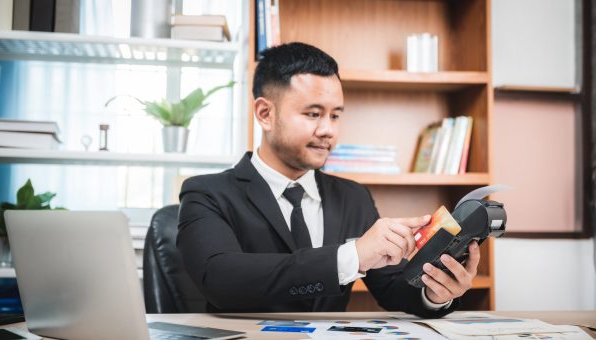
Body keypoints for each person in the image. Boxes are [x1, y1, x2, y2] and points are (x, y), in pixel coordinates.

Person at [177, 42, 479, 317]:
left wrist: (435, 290)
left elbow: (391, 289)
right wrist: (353, 256)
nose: (328, 131)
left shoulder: (353, 197)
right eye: (313, 114)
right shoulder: (206, 193)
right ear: (265, 113)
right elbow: (221, 280)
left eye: (335, 116)